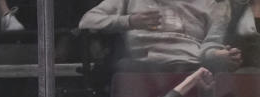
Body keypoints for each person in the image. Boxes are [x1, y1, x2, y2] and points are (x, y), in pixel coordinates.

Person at [78, 0, 231, 68]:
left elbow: (212, 43)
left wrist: (215, 56)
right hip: (141, 68)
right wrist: (130, 21)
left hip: (191, 66)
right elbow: (88, 21)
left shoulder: (213, 4)